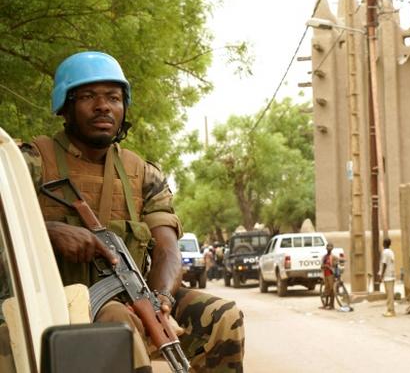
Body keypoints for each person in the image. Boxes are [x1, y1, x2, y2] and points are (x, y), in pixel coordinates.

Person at [21, 51, 244, 373]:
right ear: (65, 107)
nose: (103, 106)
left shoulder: (142, 173)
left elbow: (167, 247)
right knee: (118, 322)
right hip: (52, 300)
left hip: (134, 292)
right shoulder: (32, 161)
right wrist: (49, 232)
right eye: (88, 96)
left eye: (113, 97)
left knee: (223, 315)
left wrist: (160, 298)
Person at [378, 238, 396, 317]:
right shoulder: (391, 252)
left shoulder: (385, 252)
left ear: (384, 244)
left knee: (389, 295)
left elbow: (384, 264)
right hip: (391, 275)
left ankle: (391, 311)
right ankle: (390, 309)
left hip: (387, 276)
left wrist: (381, 275)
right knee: (390, 294)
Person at [320, 243, 338, 310]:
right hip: (325, 274)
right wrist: (324, 266)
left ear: (332, 248)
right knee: (326, 289)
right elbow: (321, 266)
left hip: (331, 274)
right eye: (328, 246)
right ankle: (326, 304)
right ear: (326, 248)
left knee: (331, 289)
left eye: (330, 246)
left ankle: (332, 305)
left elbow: (335, 264)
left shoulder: (334, 257)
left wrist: (329, 266)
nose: (329, 248)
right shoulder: (324, 257)